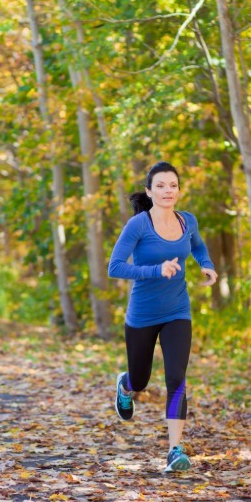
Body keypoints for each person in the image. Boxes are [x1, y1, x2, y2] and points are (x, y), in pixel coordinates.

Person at [107, 161, 217, 473]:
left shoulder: (187, 221)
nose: (168, 191)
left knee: (176, 378)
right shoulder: (138, 225)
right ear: (149, 191)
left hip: (177, 311)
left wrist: (206, 264)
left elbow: (198, 246)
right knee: (141, 380)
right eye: (160, 186)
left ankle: (174, 450)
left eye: (173, 185)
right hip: (142, 315)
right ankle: (126, 385)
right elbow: (115, 267)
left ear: (179, 190)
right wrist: (156, 270)